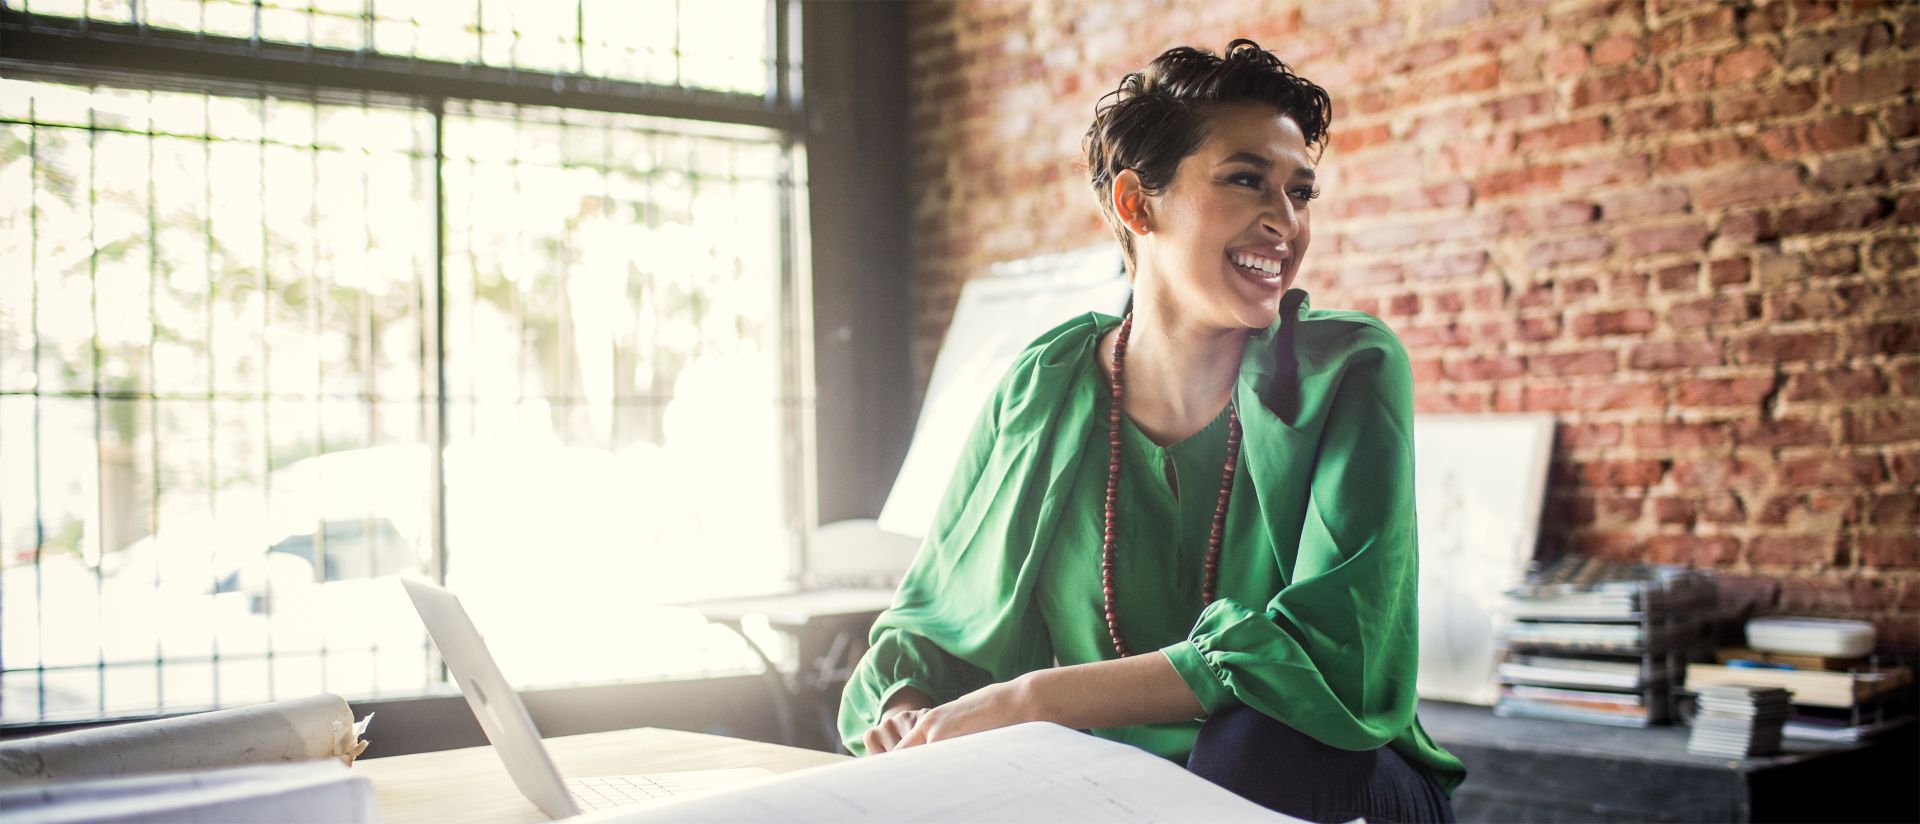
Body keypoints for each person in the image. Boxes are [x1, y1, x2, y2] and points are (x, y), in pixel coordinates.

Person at [837, 39, 1465, 823]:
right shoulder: (1044, 388)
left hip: (1331, 782)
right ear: (1137, 205)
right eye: (1246, 181)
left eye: (1300, 192)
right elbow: (934, 621)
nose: (1286, 222)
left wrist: (1035, 698)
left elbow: (1331, 647)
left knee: (1252, 743)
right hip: (1118, 794)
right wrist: (909, 707)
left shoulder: (1349, 370)